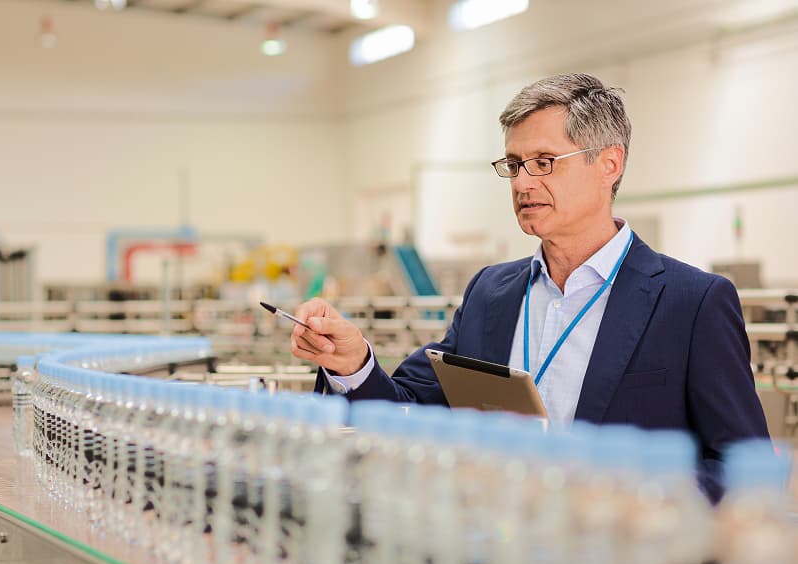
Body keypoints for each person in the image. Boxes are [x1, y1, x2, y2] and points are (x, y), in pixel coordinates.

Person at [288, 73, 768, 502]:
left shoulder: (691, 303)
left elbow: (746, 471)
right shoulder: (491, 293)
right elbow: (405, 412)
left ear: (609, 164)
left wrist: (635, 502)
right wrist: (352, 363)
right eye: (514, 165)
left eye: (544, 161)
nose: (522, 182)